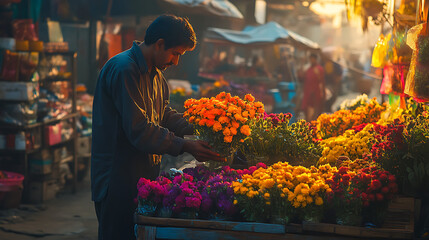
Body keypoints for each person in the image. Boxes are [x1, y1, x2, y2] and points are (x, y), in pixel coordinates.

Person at [91, 15, 224, 240]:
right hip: (117, 180)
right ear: (160, 43)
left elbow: (163, 115)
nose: (176, 62)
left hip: (142, 175)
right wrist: (185, 145)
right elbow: (139, 129)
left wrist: (205, 122)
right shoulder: (124, 69)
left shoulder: (157, 77)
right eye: (176, 53)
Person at [300, 53, 325, 121]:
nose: (311, 61)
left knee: (316, 111)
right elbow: (302, 77)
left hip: (316, 92)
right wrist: (302, 63)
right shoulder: (308, 69)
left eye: (313, 59)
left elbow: (322, 82)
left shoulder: (319, 69)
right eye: (310, 59)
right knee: (306, 110)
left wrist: (322, 92)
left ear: (315, 59)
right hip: (307, 92)